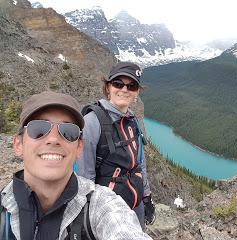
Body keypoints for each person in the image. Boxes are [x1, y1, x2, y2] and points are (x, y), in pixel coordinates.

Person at [0, 91, 151, 240]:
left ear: (79, 148)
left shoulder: (102, 205)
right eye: (38, 129)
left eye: (68, 132)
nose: (53, 139)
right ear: (18, 144)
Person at [77, 62, 155, 228]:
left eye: (131, 86)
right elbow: (85, 173)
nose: (124, 90)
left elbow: (140, 162)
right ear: (108, 87)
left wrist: (146, 197)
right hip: (108, 212)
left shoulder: (132, 120)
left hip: (136, 204)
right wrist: (88, 213)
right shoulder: (92, 122)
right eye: (118, 84)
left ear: (137, 92)